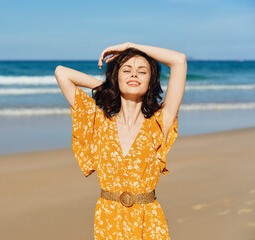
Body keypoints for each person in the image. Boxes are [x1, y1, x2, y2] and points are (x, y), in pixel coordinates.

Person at [54, 42, 187, 239]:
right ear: (116, 77)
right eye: (126, 70)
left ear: (151, 81)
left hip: (148, 223)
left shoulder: (161, 122)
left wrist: (129, 45)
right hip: (108, 221)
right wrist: (109, 87)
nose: (134, 74)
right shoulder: (98, 121)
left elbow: (179, 61)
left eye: (142, 71)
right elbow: (61, 73)